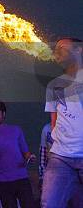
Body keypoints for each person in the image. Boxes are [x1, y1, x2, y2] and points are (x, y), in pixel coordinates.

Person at [42, 37, 83, 208]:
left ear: (79, 50)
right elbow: (54, 120)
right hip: (61, 157)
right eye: (55, 48)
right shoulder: (54, 85)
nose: (56, 51)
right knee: (49, 204)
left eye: (62, 47)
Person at [0, 101, 36, 208]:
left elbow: (25, 152)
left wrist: (30, 156)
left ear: (3, 114)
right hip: (3, 181)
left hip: (21, 178)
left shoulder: (16, 130)